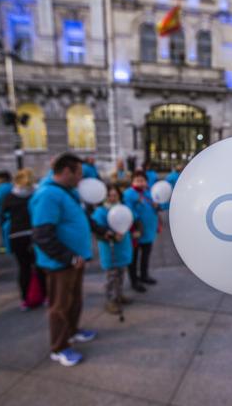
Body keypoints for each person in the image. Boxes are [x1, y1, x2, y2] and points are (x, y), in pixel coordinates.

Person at [30, 153, 96, 367]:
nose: (81, 178)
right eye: (79, 173)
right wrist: (68, 257)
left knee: (74, 300)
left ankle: (73, 331)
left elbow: (81, 220)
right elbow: (42, 235)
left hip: (74, 261)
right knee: (60, 306)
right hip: (61, 264)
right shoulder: (48, 194)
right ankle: (59, 348)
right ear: (66, 171)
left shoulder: (67, 192)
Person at [2, 168, 46, 311]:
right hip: (34, 233)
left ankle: (25, 299)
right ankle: (45, 296)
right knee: (39, 266)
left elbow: (3, 216)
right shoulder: (37, 194)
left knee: (23, 268)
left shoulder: (9, 196)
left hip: (16, 235)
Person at [91, 185, 133, 315]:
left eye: (115, 195)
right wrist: (112, 236)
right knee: (112, 277)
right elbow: (98, 232)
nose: (113, 197)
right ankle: (110, 300)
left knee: (121, 274)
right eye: (110, 195)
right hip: (110, 249)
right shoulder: (100, 212)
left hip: (122, 247)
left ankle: (119, 295)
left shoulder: (123, 208)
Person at [123, 171, 159, 292]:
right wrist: (137, 220)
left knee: (145, 255)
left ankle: (144, 275)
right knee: (133, 257)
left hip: (149, 231)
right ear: (132, 181)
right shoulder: (128, 194)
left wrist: (156, 206)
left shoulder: (149, 192)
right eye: (137, 180)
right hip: (136, 232)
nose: (140, 182)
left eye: (142, 180)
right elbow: (128, 211)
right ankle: (134, 281)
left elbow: (159, 206)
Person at [0, 171, 13, 254]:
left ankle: (4, 249)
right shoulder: (12, 186)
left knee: (3, 232)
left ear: (3, 178)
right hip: (12, 213)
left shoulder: (1, 188)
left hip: (3, 213)